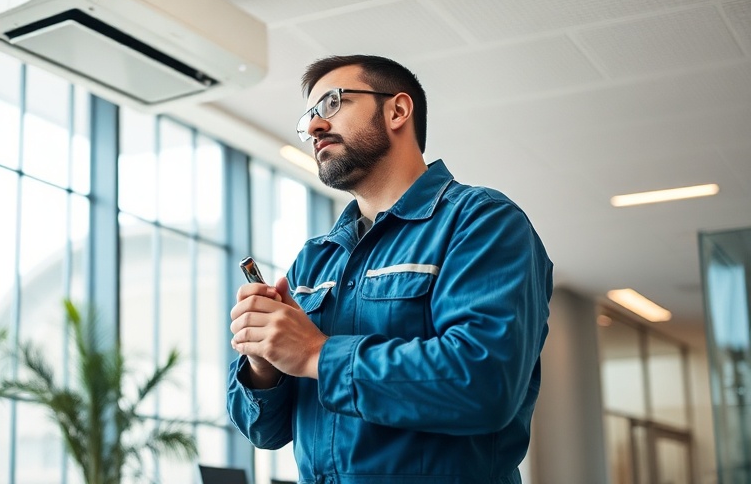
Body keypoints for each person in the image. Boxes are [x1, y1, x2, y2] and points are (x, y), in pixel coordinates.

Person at [227, 55, 553, 483]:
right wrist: (266, 360)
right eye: (308, 117)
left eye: (331, 104)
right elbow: (265, 432)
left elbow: (484, 381)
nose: (313, 127)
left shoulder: (482, 222)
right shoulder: (315, 258)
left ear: (397, 110)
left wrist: (314, 353)